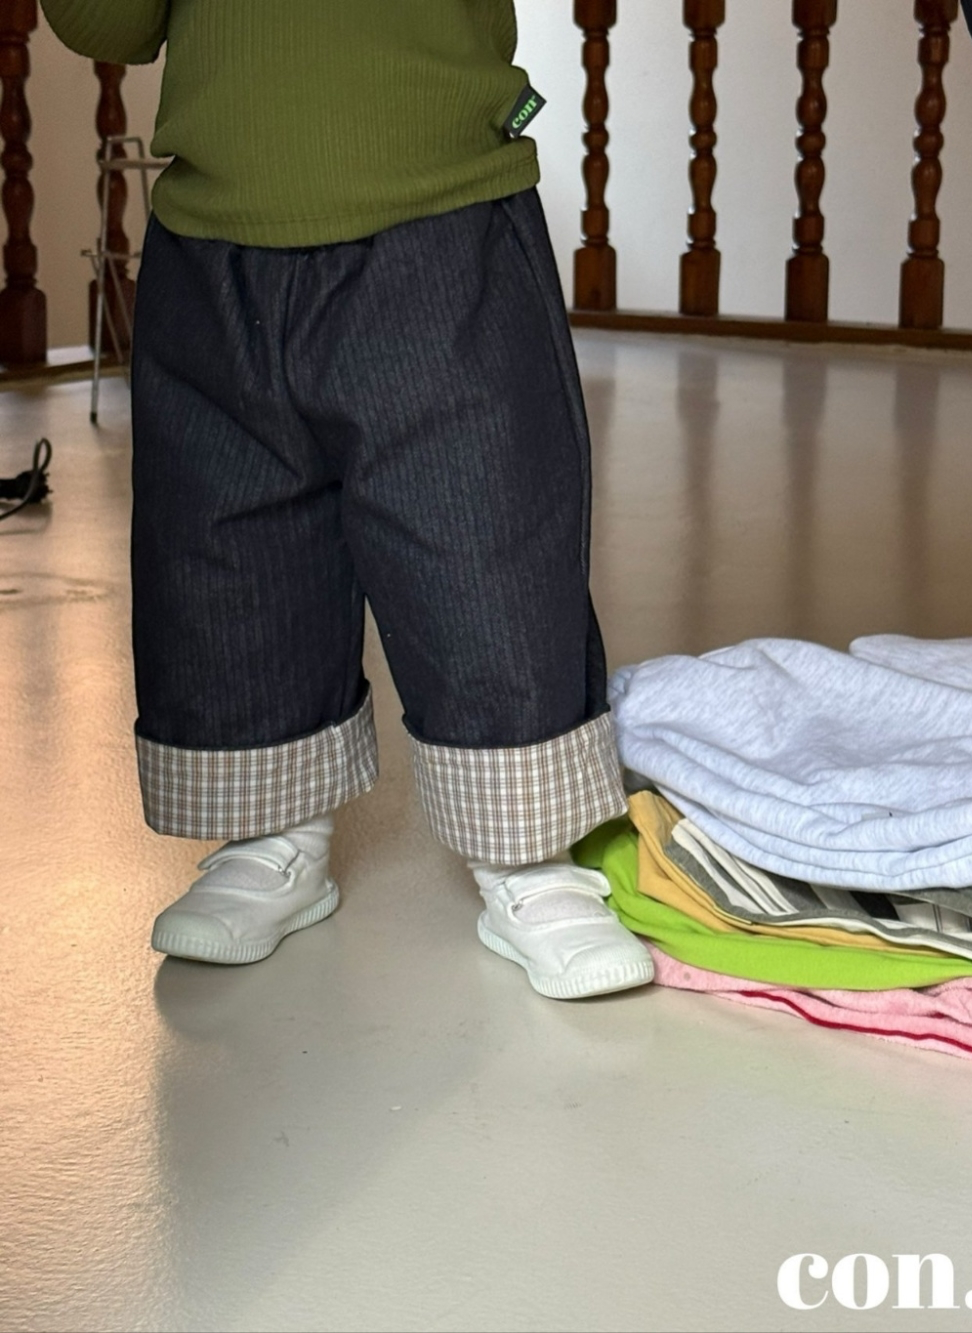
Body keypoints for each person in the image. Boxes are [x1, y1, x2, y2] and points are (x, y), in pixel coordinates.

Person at [43, 0, 654, 999]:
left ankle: (528, 852)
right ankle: (271, 831)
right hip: (217, 232)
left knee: (481, 536)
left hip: (440, 213)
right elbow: (108, 24)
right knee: (224, 543)